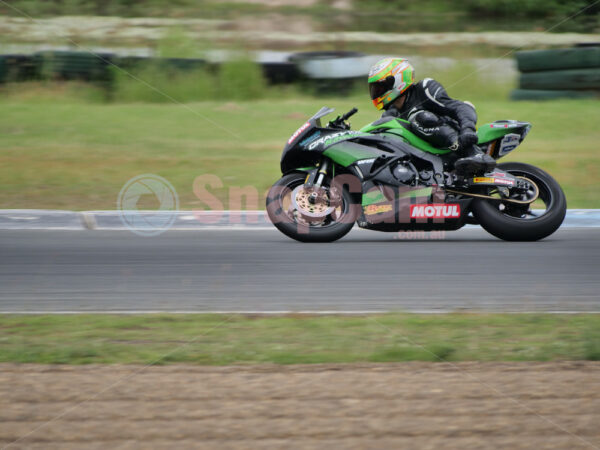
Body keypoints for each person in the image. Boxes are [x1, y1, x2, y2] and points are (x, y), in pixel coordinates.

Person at [367, 57, 496, 175]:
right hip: (426, 159)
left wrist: (467, 131)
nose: (376, 92)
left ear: (396, 81)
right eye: (374, 88)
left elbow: (462, 107)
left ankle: (474, 154)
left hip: (459, 142)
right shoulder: (391, 114)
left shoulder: (425, 89)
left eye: (380, 87)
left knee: (418, 118)